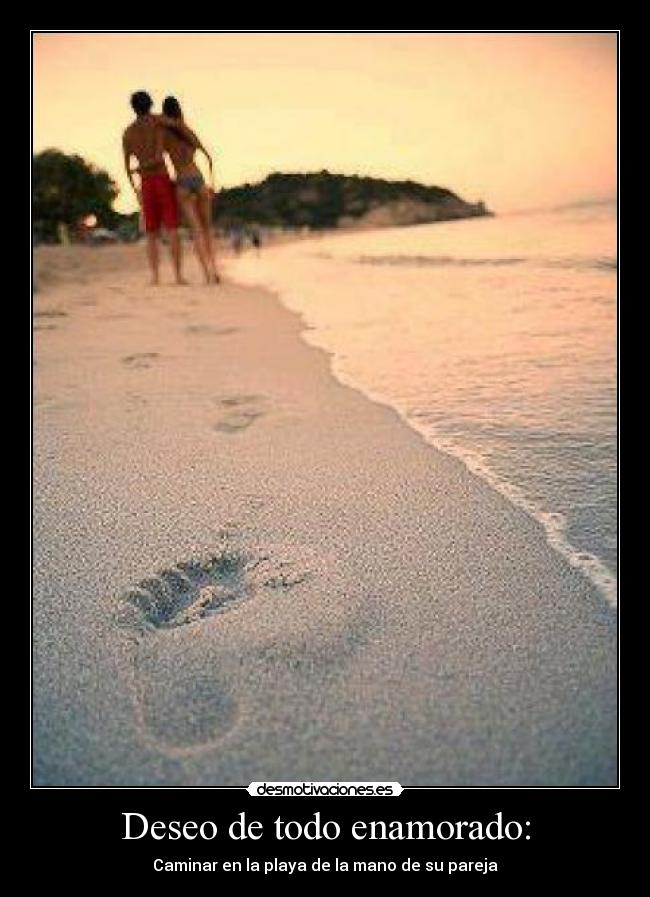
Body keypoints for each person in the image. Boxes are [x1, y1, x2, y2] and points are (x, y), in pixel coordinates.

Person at [122, 91, 184, 286]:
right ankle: (178, 275)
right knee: (172, 228)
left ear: (133, 108)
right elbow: (179, 125)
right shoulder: (158, 122)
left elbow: (126, 166)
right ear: (150, 104)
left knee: (151, 232)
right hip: (162, 179)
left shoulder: (128, 133)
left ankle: (155, 276)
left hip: (145, 183)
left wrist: (135, 189)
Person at [157, 96, 220, 284]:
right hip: (198, 179)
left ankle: (207, 274)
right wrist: (212, 184)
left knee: (196, 231)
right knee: (207, 229)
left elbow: (159, 159)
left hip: (182, 181)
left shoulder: (163, 133)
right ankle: (215, 270)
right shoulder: (187, 130)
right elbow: (208, 157)